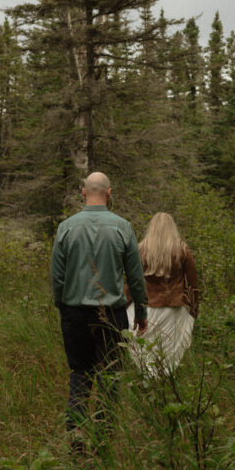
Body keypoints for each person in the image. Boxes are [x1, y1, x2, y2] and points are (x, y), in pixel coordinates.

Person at [50, 172, 149, 442]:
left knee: (80, 372)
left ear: (83, 192)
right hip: (113, 315)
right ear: (109, 192)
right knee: (110, 376)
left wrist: (63, 307)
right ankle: (104, 438)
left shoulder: (66, 228)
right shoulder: (123, 227)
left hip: (74, 312)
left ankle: (77, 433)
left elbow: (57, 277)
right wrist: (141, 314)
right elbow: (136, 278)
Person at [126, 212, 199, 375]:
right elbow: (193, 285)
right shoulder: (182, 249)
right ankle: (165, 387)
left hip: (146, 309)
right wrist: (194, 311)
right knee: (168, 354)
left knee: (145, 352)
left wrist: (123, 305)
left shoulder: (140, 249)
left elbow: (132, 283)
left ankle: (147, 383)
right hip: (173, 310)